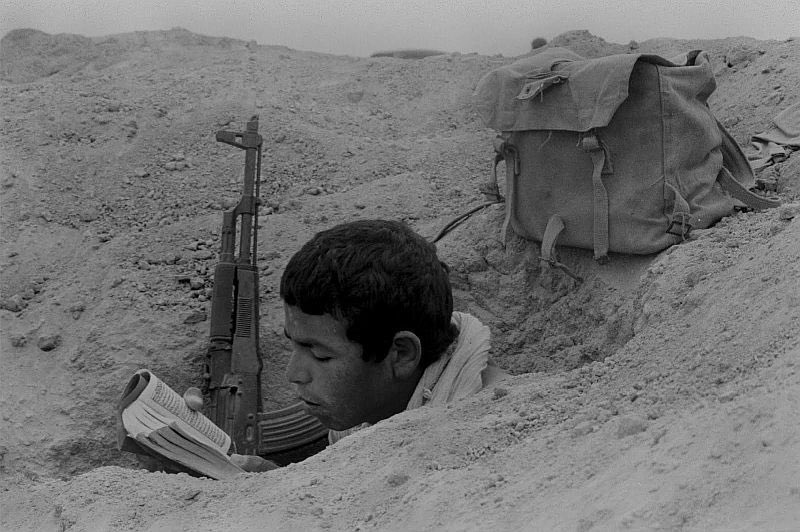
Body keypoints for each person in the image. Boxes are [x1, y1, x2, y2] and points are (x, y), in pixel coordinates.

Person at [279, 219, 506, 445]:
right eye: (294, 345)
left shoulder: (487, 433)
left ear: (401, 354)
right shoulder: (366, 414)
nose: (293, 373)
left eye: (320, 355)